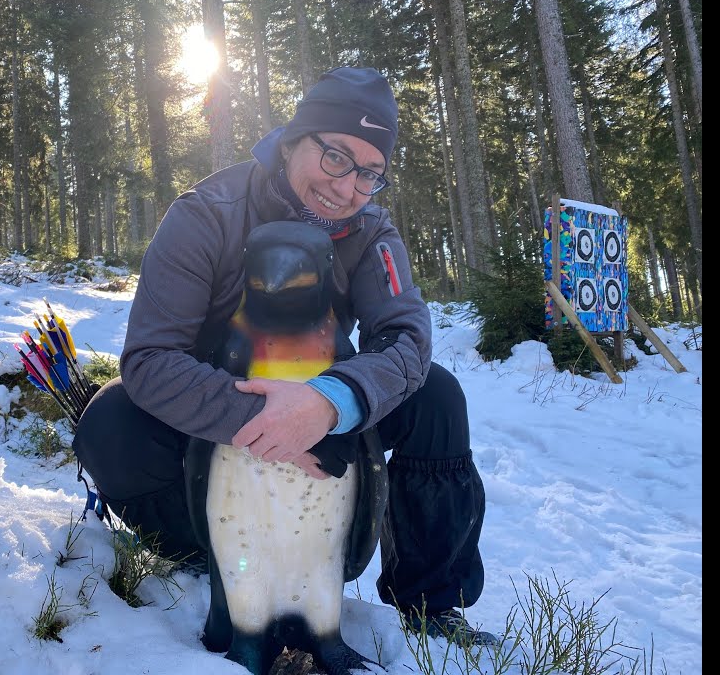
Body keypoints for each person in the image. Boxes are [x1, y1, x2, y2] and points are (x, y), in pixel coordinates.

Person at [73, 66, 493, 646]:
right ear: (296, 137)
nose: (347, 188)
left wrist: (332, 402)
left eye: (371, 173)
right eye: (336, 157)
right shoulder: (205, 215)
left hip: (327, 404)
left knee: (437, 397)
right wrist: (268, 423)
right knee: (110, 423)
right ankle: (205, 552)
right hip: (212, 405)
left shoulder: (371, 231)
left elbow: (407, 340)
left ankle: (430, 602)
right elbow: (150, 359)